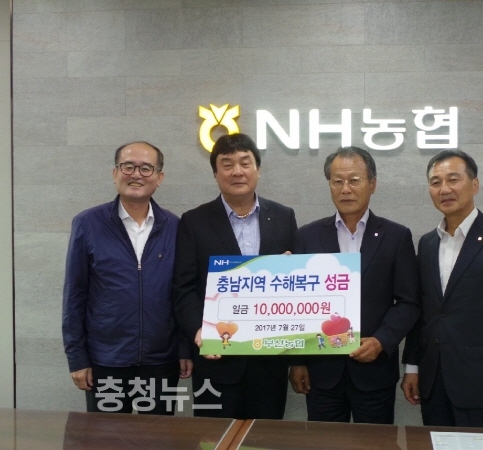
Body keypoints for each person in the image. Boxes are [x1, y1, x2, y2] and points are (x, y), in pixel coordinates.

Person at [289, 146, 420, 424]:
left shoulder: (396, 236)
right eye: (337, 181)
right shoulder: (307, 236)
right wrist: (297, 361)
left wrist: (381, 341)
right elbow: (298, 305)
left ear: (372, 183)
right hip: (322, 372)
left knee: (374, 443)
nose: (345, 189)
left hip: (374, 371)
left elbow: (408, 302)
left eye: (354, 180)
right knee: (324, 442)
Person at [401, 149, 483, 428]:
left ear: (475, 185)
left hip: (481, 385)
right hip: (433, 382)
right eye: (436, 182)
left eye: (453, 179)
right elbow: (423, 311)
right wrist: (412, 367)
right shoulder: (427, 243)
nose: (444, 189)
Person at [172, 133, 297, 419]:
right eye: (227, 165)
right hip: (215, 357)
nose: (237, 171)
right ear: (215, 173)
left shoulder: (283, 217)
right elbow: (183, 287)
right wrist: (198, 331)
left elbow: (297, 287)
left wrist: (291, 271)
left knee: (263, 437)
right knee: (212, 437)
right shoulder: (194, 221)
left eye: (245, 163)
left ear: (258, 169)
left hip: (269, 362)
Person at [62, 141, 193, 415]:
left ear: (159, 177)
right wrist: (77, 357)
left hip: (161, 361)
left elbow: (181, 293)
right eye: (128, 166)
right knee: (106, 436)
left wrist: (184, 349)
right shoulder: (88, 224)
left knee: (158, 436)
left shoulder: (175, 226)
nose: (136, 174)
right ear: (115, 173)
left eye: (146, 168)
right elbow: (74, 294)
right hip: (106, 360)